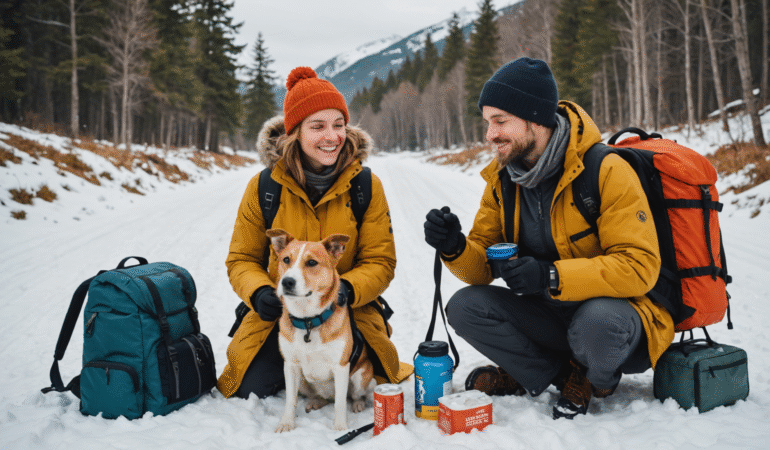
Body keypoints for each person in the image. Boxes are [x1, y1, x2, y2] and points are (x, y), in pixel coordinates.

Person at [423, 57, 674, 419]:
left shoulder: (605, 171)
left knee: (596, 322)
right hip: (551, 315)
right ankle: (554, 376)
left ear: (535, 119)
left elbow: (639, 268)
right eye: (487, 123)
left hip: (619, 322)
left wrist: (551, 275)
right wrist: (455, 247)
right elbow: (481, 268)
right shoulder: (504, 179)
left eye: (500, 121)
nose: (490, 134)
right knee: (465, 306)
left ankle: (597, 379)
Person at [218, 66, 413, 399]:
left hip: (348, 312)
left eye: (339, 125)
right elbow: (241, 259)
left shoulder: (366, 186)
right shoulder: (264, 187)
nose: (331, 136)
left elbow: (381, 261)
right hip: (282, 314)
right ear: (295, 132)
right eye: (318, 126)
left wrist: (346, 289)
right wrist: (261, 293)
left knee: (364, 380)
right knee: (250, 387)